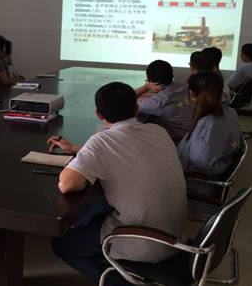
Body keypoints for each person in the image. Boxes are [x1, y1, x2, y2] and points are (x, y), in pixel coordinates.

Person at [47, 82, 187, 286]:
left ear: (98, 114)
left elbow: (67, 185)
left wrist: (86, 154)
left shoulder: (102, 141)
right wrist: (80, 150)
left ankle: (118, 282)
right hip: (176, 237)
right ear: (136, 108)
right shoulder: (158, 131)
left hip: (145, 243)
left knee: (62, 245)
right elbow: (130, 153)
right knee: (99, 206)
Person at [178, 71, 240, 176]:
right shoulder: (231, 112)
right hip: (213, 166)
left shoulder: (207, 123)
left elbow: (201, 162)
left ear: (192, 94)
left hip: (192, 177)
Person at [136, 60, 193, 141]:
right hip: (192, 132)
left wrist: (145, 87)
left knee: (140, 117)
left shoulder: (157, 103)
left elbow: (125, 102)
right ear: (172, 75)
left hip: (178, 139)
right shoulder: (184, 87)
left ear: (149, 80)